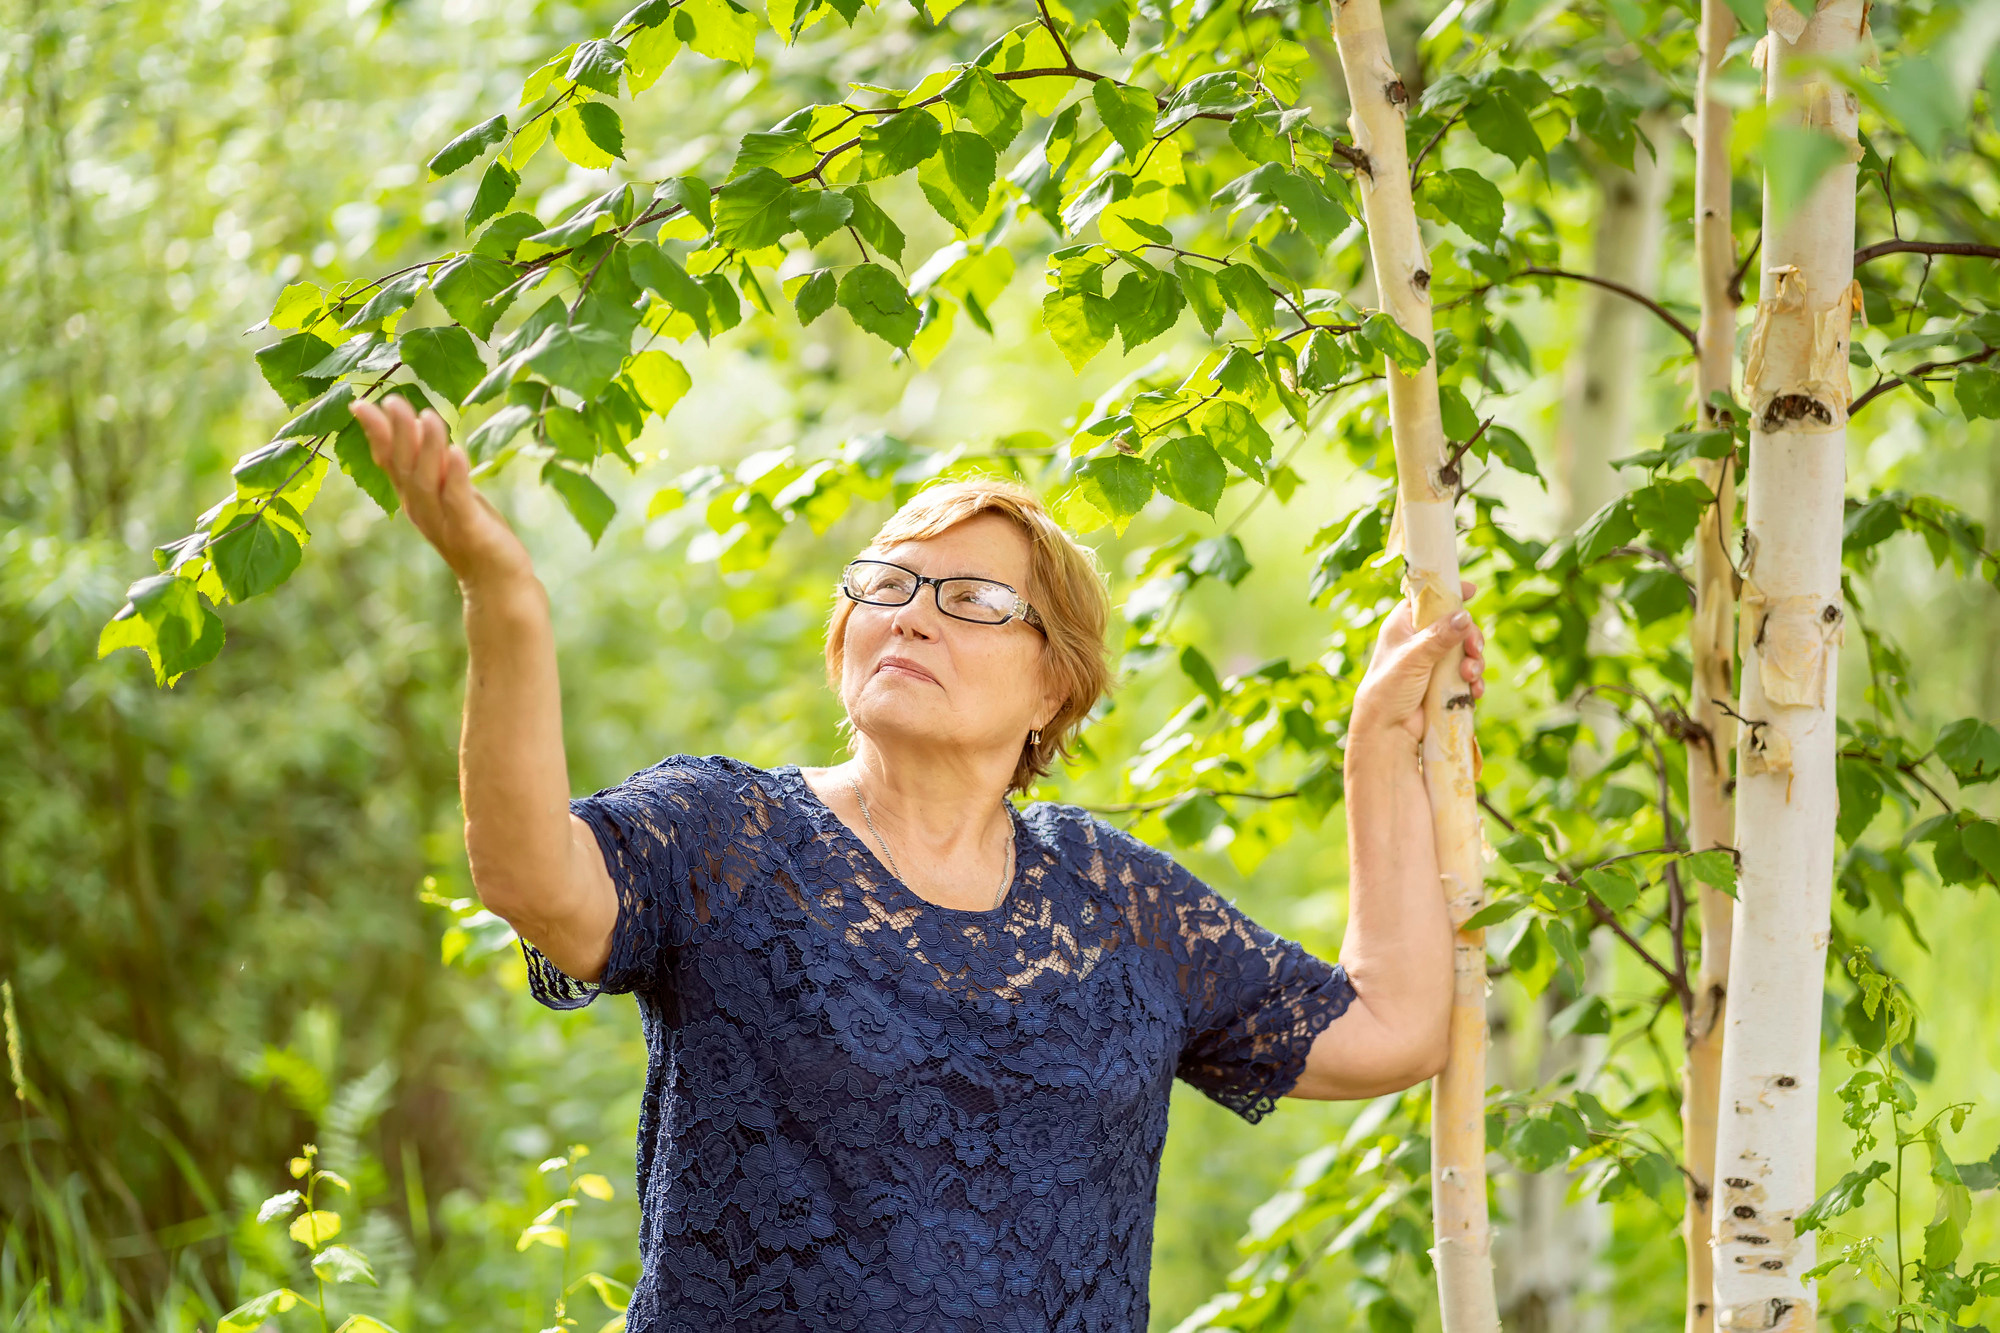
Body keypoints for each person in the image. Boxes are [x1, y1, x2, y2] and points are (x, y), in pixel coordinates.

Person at [348, 396, 1488, 1332]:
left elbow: (1391, 1025)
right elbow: (530, 877)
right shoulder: (730, 832)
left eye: (974, 600)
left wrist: (1376, 748)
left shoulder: (1116, 902)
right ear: (844, 640)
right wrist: (503, 598)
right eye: (882, 586)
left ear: (1053, 686)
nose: (912, 616)